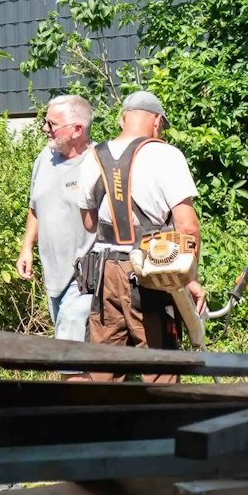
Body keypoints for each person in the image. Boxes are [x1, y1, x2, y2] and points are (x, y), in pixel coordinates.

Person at [76, 91, 203, 381]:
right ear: (157, 121)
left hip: (105, 273)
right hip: (153, 269)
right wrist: (190, 278)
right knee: (160, 367)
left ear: (123, 119)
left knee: (104, 367)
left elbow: (89, 223)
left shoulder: (93, 157)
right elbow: (187, 227)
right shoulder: (166, 155)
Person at [15, 95, 97, 348]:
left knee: (67, 352)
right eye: (45, 121)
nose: (45, 128)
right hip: (54, 275)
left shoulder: (97, 163)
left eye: (52, 124)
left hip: (85, 276)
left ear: (77, 129)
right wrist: (26, 247)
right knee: (71, 344)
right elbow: (35, 206)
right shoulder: (45, 158)